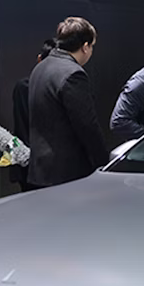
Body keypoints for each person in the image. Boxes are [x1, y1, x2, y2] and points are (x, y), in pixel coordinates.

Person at [27, 17, 109, 188]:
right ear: (85, 47)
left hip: (39, 171)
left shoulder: (40, 68)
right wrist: (104, 162)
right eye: (92, 46)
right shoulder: (73, 74)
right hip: (67, 174)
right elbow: (87, 126)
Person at [11, 39, 56, 191]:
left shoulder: (23, 87)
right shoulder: (60, 90)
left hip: (26, 163)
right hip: (50, 166)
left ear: (39, 59)